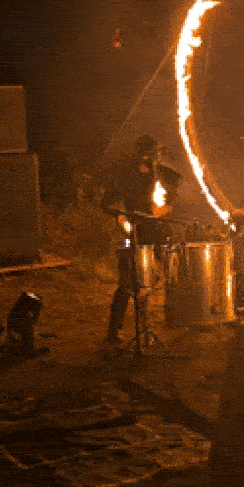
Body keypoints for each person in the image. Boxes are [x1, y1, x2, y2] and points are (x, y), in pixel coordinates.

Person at [102, 135, 184, 344]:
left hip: (154, 231)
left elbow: (175, 185)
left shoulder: (160, 173)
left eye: (157, 153)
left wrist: (167, 206)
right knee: (128, 282)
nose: (155, 157)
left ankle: (147, 325)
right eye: (152, 153)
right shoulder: (126, 175)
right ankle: (114, 331)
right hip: (133, 233)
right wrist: (121, 216)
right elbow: (108, 203)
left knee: (156, 277)